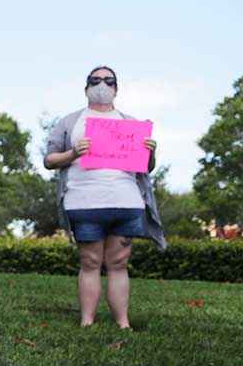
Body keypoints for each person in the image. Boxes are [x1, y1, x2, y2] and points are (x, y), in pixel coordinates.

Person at [43, 66, 166, 328]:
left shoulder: (131, 124)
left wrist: (150, 152)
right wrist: (73, 153)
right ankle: (87, 321)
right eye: (95, 80)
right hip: (83, 203)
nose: (102, 84)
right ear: (86, 87)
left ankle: (123, 322)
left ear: (116, 88)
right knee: (89, 262)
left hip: (126, 203)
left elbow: (147, 167)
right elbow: (49, 160)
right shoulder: (70, 122)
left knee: (119, 263)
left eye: (108, 80)